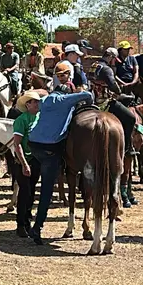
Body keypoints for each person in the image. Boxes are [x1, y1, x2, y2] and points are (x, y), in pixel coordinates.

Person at [26, 81, 94, 245]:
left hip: (33, 144)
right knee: (47, 191)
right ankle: (37, 226)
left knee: (29, 183)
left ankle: (24, 219)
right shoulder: (65, 99)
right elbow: (88, 96)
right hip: (50, 148)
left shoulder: (46, 100)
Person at [9, 89, 44, 238]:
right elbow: (17, 145)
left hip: (36, 160)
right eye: (34, 102)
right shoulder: (21, 120)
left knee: (31, 191)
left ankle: (28, 220)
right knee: (24, 192)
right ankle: (20, 224)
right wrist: (24, 164)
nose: (36, 104)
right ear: (27, 105)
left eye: (37, 101)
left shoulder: (40, 118)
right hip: (23, 160)